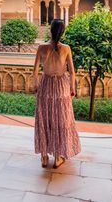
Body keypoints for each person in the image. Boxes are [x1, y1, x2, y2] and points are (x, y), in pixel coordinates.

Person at [33, 19, 81, 169]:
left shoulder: (41, 47)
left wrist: (36, 85)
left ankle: (44, 157)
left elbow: (35, 71)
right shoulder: (66, 48)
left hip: (46, 85)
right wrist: (72, 88)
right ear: (62, 32)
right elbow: (72, 72)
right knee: (61, 121)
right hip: (61, 87)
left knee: (44, 119)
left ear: (50, 30)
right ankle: (58, 158)